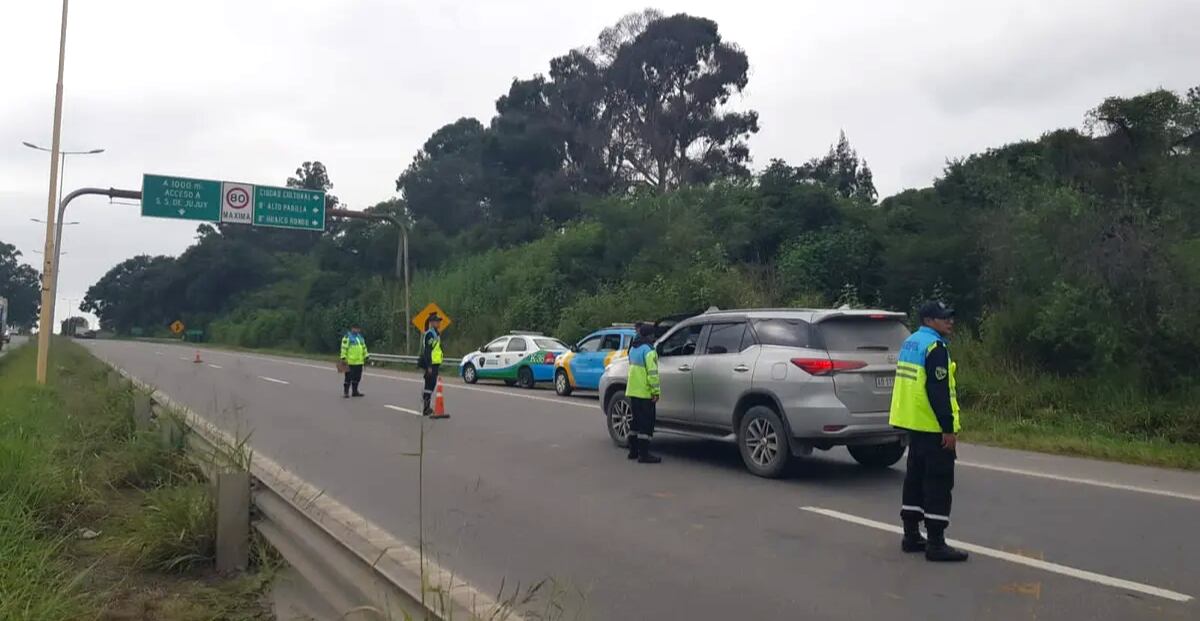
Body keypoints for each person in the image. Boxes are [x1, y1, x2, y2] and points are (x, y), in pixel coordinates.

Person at [889, 300, 968, 562]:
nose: (950, 321)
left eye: (949, 317)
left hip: (913, 424)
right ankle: (936, 543)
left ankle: (911, 536)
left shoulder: (911, 342)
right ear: (928, 320)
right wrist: (948, 428)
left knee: (914, 478)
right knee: (938, 482)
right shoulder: (935, 347)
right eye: (943, 318)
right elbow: (938, 390)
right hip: (933, 426)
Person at [625, 322, 661, 464]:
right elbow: (652, 373)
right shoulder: (649, 350)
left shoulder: (633, 348)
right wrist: (655, 391)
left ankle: (633, 451)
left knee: (635, 421)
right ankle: (644, 454)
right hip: (645, 392)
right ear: (650, 336)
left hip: (633, 390)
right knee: (646, 423)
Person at [417, 313, 446, 417]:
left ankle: (426, 406)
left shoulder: (436, 333)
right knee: (430, 384)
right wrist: (429, 366)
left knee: (430, 384)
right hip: (431, 363)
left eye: (439, 321)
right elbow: (428, 351)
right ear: (432, 323)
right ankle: (426, 407)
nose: (439, 323)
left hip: (435, 363)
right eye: (437, 321)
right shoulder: (430, 334)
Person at [340, 324, 369, 398]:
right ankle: (346, 392)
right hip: (349, 361)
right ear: (352, 329)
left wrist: (366, 356)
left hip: (359, 362)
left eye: (358, 329)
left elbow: (364, 347)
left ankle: (355, 391)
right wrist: (343, 357)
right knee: (348, 377)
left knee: (357, 377)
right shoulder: (347, 337)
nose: (357, 330)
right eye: (355, 329)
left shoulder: (360, 337)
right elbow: (343, 348)